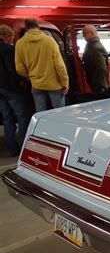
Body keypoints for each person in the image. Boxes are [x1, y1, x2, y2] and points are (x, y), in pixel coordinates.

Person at [15, 18, 69, 111]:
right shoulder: (49, 41)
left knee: (40, 112)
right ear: (38, 26)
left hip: (36, 84)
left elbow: (19, 68)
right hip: (54, 84)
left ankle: (42, 126)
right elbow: (59, 65)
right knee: (59, 112)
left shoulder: (20, 44)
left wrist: (30, 76)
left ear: (26, 28)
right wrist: (65, 83)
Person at [0, 25, 30, 156]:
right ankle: (24, 146)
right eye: (11, 37)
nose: (12, 40)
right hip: (10, 89)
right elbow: (13, 70)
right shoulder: (8, 49)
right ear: (5, 36)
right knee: (22, 117)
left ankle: (12, 148)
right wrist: (21, 83)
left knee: (7, 118)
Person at [82, 25, 110, 93]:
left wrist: (100, 86)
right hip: (96, 83)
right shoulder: (91, 46)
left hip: (98, 85)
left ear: (91, 33)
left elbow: (101, 68)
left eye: (84, 34)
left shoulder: (95, 48)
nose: (83, 36)